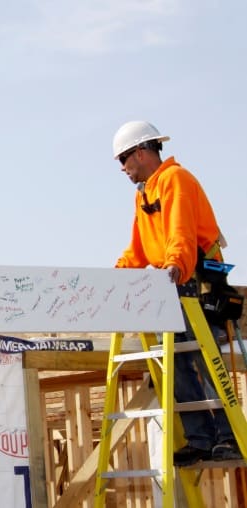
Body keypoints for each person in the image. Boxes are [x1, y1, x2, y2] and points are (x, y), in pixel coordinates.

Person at [112, 120, 240, 466]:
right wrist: (116, 275)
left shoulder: (175, 180)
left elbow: (181, 236)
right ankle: (200, 439)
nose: (122, 168)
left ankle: (228, 437)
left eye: (123, 160)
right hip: (173, 283)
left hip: (197, 281)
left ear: (141, 152)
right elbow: (138, 251)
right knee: (177, 364)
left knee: (203, 359)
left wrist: (174, 267)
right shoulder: (145, 194)